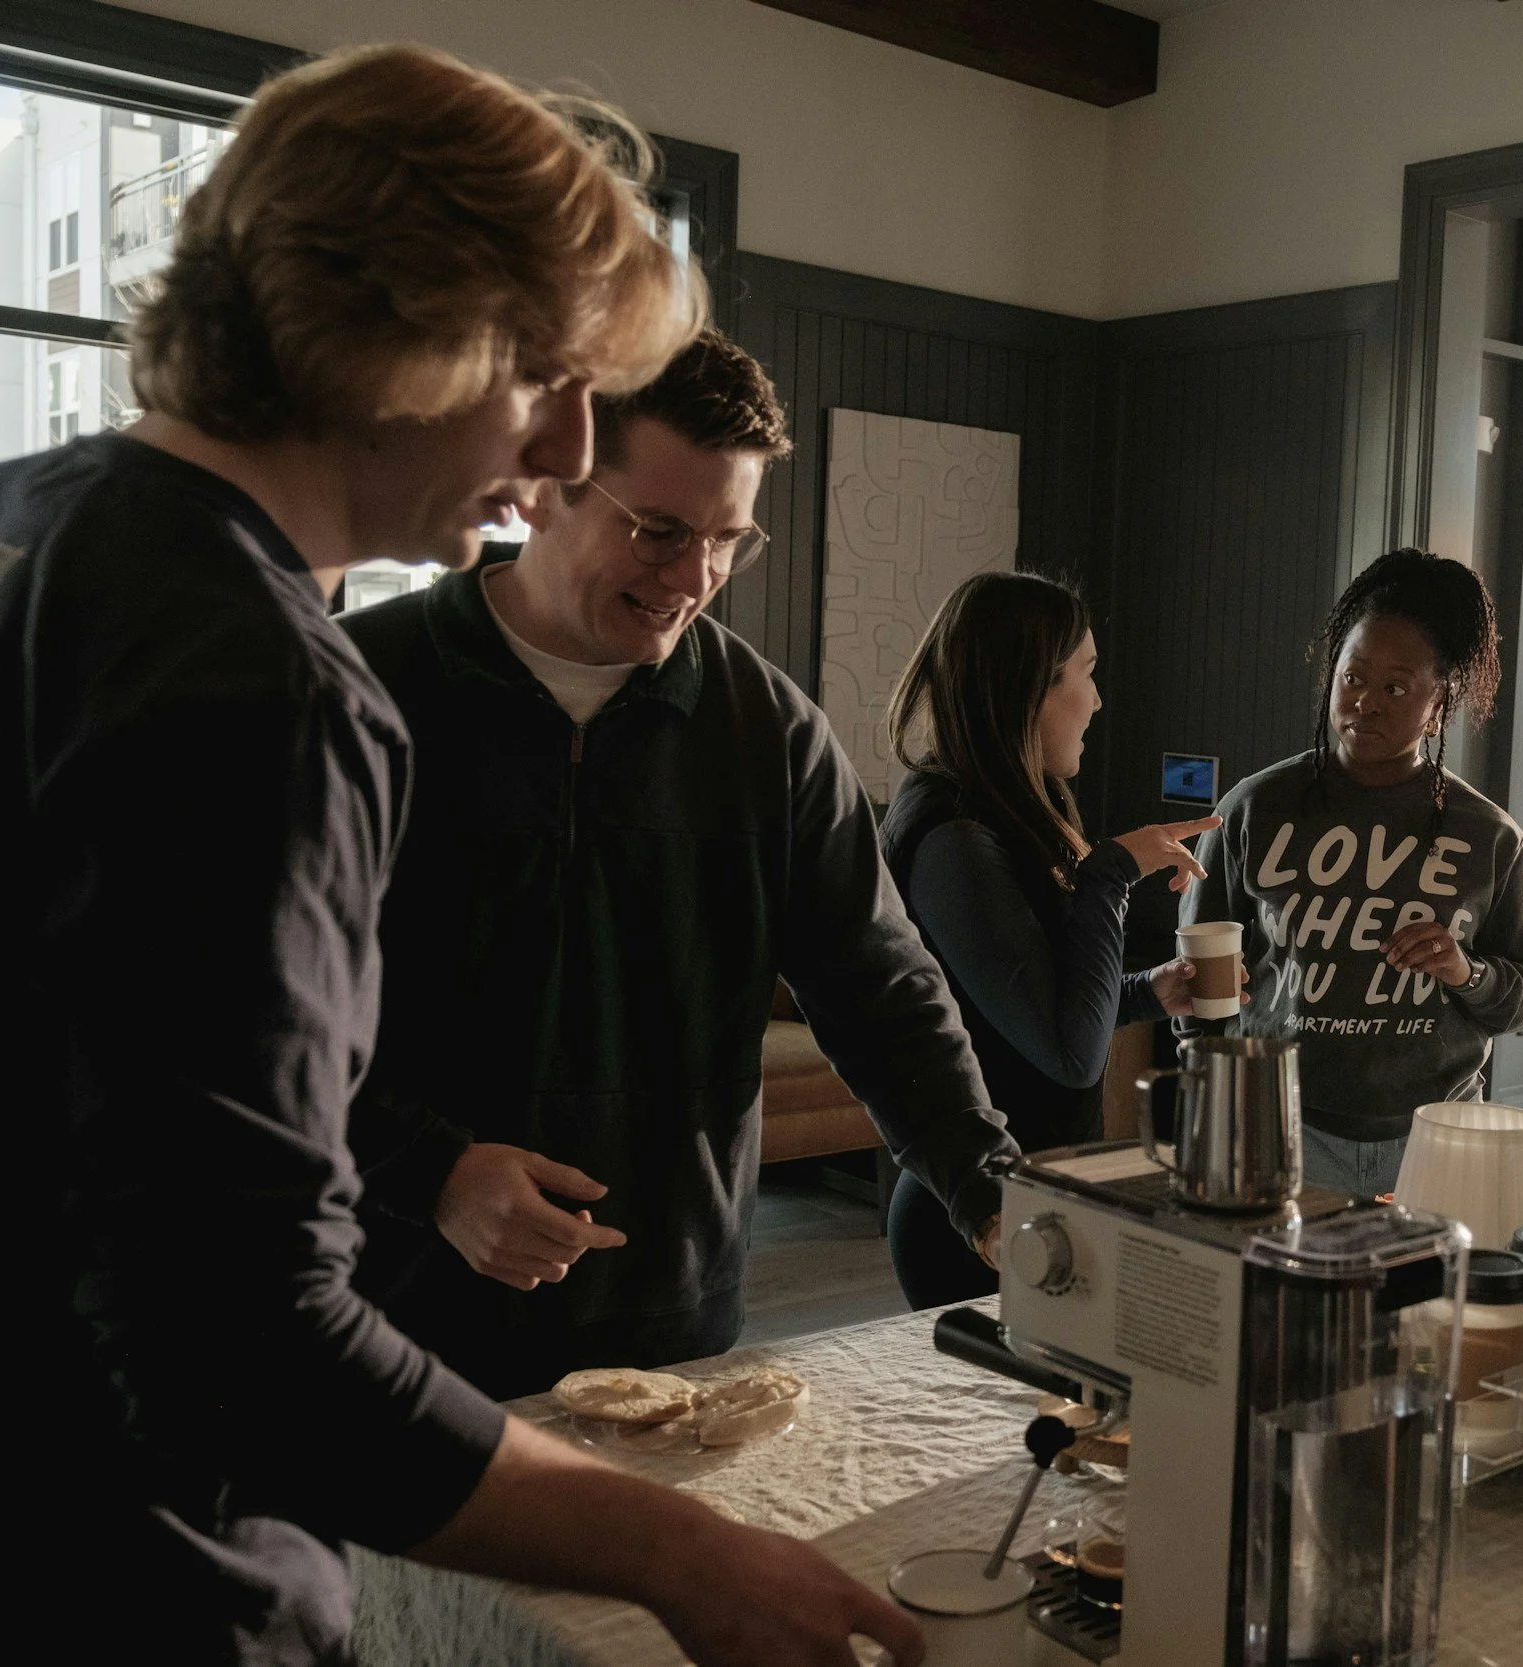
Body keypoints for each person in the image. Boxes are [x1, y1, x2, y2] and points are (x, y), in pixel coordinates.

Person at [0, 44, 919, 1667]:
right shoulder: (248, 666)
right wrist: (680, 1549)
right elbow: (241, 1347)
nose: (563, 451)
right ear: (394, 327)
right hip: (118, 1574)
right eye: (547, 377)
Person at [339, 331, 1019, 1397]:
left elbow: (879, 986)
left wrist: (988, 1187)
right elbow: (235, 1001)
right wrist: (430, 1174)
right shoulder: (355, 688)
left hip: (668, 1314)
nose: (694, 578)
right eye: (658, 530)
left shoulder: (770, 732)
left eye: (726, 540)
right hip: (384, 1300)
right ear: (544, 488)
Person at [1180, 549, 1523, 1198]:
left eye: (1395, 686)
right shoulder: (1253, 809)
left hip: (1438, 1139)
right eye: (1353, 678)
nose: (1366, 702)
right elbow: (1199, 980)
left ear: (1439, 705)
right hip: (1280, 1130)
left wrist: (1464, 972)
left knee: (1432, 1301)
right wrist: (1215, 1106)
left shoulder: (1489, 835)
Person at [877, 572, 1215, 1305]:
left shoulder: (1013, 804)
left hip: (1039, 1197)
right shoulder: (956, 837)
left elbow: (1032, 1009)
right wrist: (1114, 872)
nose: (1097, 700)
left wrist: (1149, 993)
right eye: (1086, 674)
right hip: (977, 1220)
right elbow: (1068, 1054)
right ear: (1029, 686)